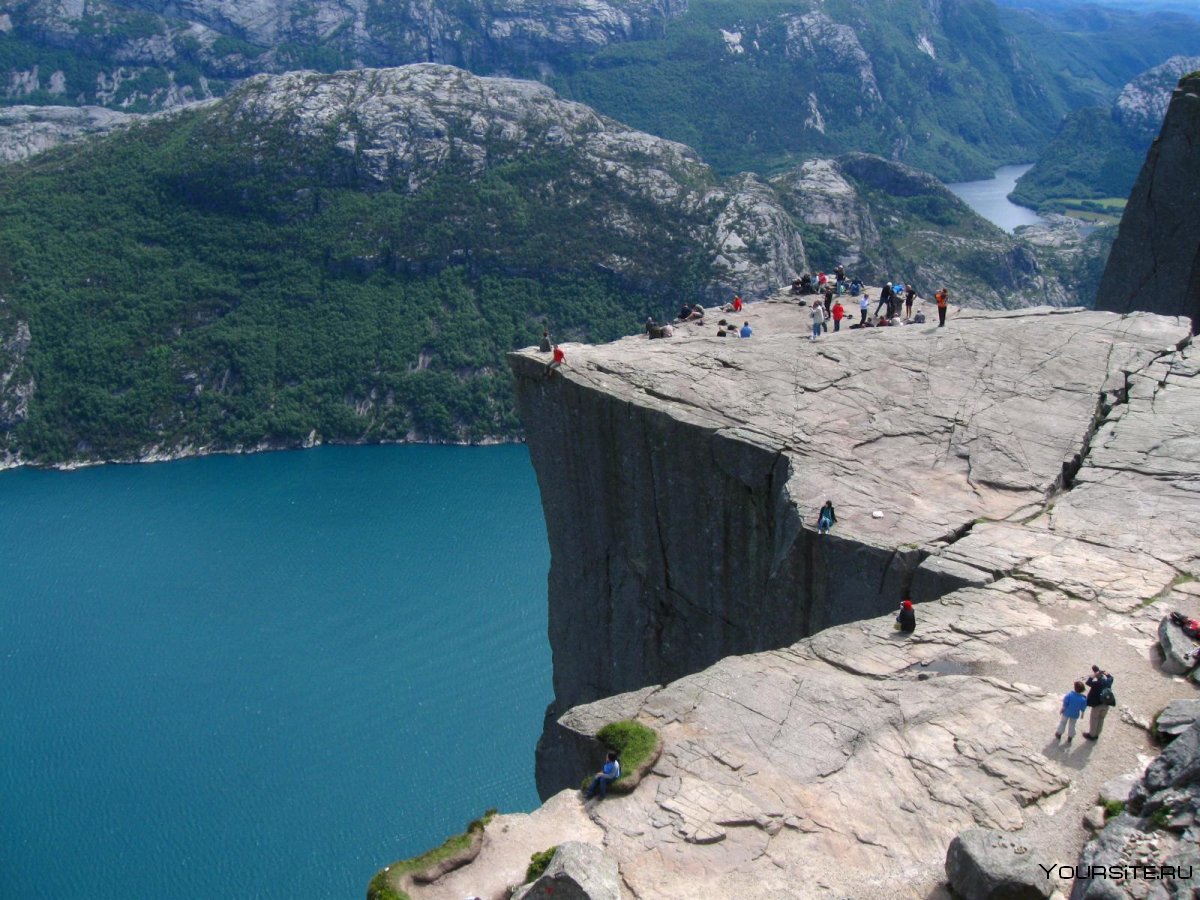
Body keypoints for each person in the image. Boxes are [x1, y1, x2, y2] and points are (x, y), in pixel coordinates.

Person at [1083, 666, 1115, 740]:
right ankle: (1097, 734)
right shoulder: (1108, 681)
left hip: (1097, 705)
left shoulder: (1097, 683)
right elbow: (1111, 677)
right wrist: (1105, 672)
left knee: (1094, 719)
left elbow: (1088, 682)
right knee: (1101, 719)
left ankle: (1092, 735)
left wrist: (1093, 676)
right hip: (1106, 704)